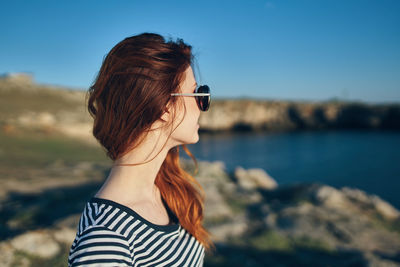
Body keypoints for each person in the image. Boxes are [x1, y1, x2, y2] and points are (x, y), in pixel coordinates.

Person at [68, 32, 215, 266]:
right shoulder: (106, 240)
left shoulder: (164, 189)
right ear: (164, 107)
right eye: (198, 93)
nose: (203, 105)